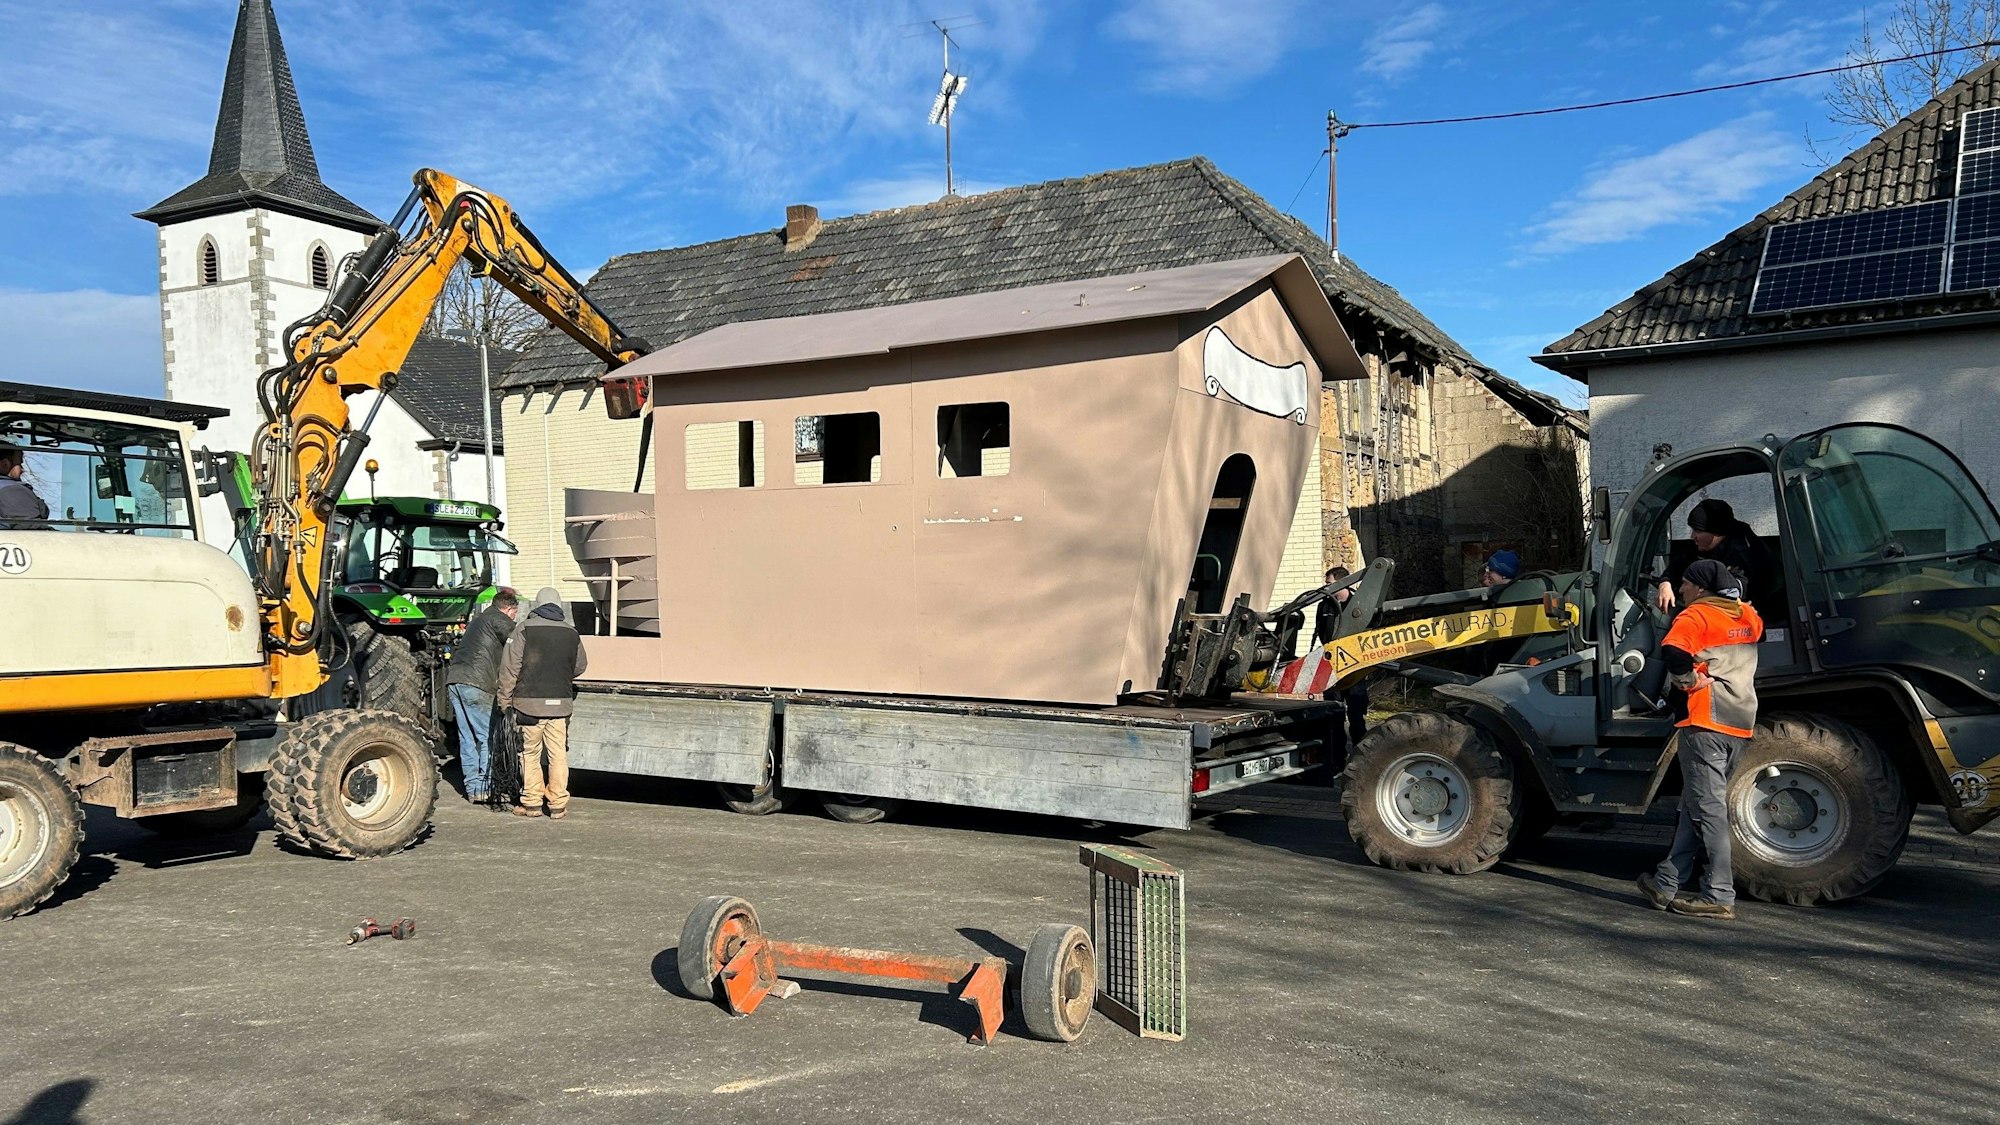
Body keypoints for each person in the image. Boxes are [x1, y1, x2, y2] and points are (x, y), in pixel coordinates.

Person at [1636, 559, 1763, 921]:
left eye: (1686, 583)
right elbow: (1756, 629)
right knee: (1695, 803)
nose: (1681, 589)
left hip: (1704, 720)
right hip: (1740, 721)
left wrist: (1688, 681)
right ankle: (1666, 882)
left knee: (1709, 810)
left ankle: (1719, 894)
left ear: (1701, 588)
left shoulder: (1695, 615)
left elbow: (1674, 651)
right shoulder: (1747, 615)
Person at [497, 587, 587, 819]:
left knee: (530, 753)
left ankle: (532, 803)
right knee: (558, 754)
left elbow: (509, 668)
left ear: (537, 605)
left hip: (529, 705)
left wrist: (504, 700)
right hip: (561, 705)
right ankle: (558, 804)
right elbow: (580, 666)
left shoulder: (524, 629)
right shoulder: (571, 632)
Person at [443, 587, 519, 804]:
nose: (514, 617)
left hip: (455, 681)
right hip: (477, 683)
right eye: (515, 614)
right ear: (509, 609)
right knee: (488, 736)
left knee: (467, 738)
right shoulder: (499, 619)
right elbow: (520, 642)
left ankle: (473, 789)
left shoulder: (479, 620)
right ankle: (487, 788)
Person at [1655, 498, 1772, 613]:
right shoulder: (1703, 547)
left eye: (1698, 531)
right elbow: (1679, 564)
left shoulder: (1741, 553)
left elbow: (1738, 591)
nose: (1692, 536)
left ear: (1717, 532)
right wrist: (1665, 583)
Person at [1313, 566, 1370, 763]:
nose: (1326, 587)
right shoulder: (1324, 606)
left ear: (1342, 582)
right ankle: (1337, 760)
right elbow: (1321, 632)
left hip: (1355, 670)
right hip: (1332, 670)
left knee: (1356, 717)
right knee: (1334, 716)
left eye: (1329, 583)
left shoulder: (1359, 603)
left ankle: (1360, 760)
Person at [0, 443, 49, 527]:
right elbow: (31, 528)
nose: (22, 470)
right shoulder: (12, 490)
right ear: (5, 464)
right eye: (19, 464)